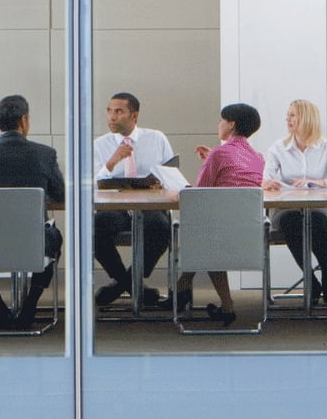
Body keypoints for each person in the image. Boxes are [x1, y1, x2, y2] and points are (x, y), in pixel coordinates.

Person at [0, 93, 67, 329]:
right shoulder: (45, 154)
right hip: (33, 240)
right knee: (54, 237)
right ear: (24, 120)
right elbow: (62, 195)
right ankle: (30, 305)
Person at [91, 89, 178, 315]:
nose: (112, 116)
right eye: (109, 111)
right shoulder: (100, 144)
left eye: (119, 112)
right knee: (93, 229)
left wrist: (162, 182)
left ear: (134, 116)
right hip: (116, 206)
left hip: (150, 204)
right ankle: (130, 284)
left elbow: (172, 174)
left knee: (160, 227)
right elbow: (91, 184)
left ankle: (124, 284)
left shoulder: (156, 138)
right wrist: (111, 162)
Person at [183, 104, 268, 321]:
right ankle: (188, 289)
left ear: (231, 124)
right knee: (212, 230)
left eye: (221, 120)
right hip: (249, 233)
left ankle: (185, 286)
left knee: (204, 231)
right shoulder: (257, 157)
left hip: (218, 234)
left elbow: (200, 193)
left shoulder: (219, 153)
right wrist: (212, 159)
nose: (218, 124)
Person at [268, 98, 327, 309]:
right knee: (292, 222)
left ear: (306, 118)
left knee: (317, 221)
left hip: (319, 208)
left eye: (292, 115)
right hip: (287, 208)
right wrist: (269, 183)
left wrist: (321, 182)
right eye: (287, 115)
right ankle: (311, 280)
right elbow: (265, 178)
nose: (287, 119)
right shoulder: (279, 147)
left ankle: (326, 275)